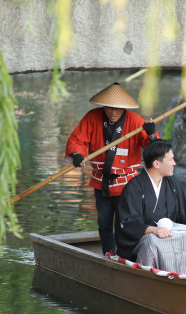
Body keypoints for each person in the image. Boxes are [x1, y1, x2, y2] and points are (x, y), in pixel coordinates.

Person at [65, 82, 158, 255]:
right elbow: (77, 140)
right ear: (103, 105)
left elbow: (154, 150)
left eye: (117, 108)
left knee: (126, 223)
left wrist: (152, 134)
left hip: (127, 184)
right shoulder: (92, 117)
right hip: (101, 182)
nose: (113, 112)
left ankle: (128, 256)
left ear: (124, 107)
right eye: (109, 107)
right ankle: (108, 255)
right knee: (104, 223)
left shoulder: (135, 120)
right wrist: (77, 154)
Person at [116, 139, 186, 262]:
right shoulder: (134, 188)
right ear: (156, 164)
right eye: (171, 159)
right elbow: (128, 222)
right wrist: (153, 230)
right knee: (152, 241)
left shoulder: (172, 184)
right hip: (142, 245)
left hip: (169, 237)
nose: (174, 163)